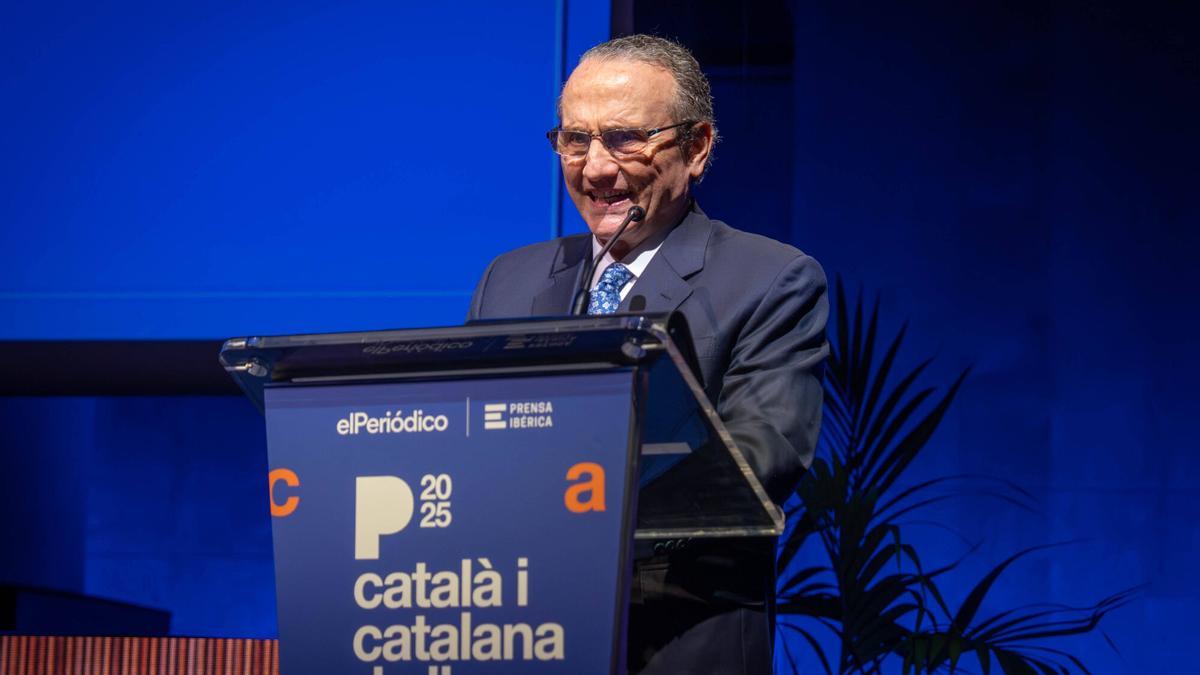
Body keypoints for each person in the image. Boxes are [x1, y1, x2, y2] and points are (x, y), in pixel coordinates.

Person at [467, 34, 827, 674]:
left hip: (677, 636)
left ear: (697, 148)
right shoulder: (510, 280)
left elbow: (763, 454)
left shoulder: (769, 278)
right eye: (576, 140)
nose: (596, 167)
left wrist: (576, 506)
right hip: (519, 633)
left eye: (625, 138)